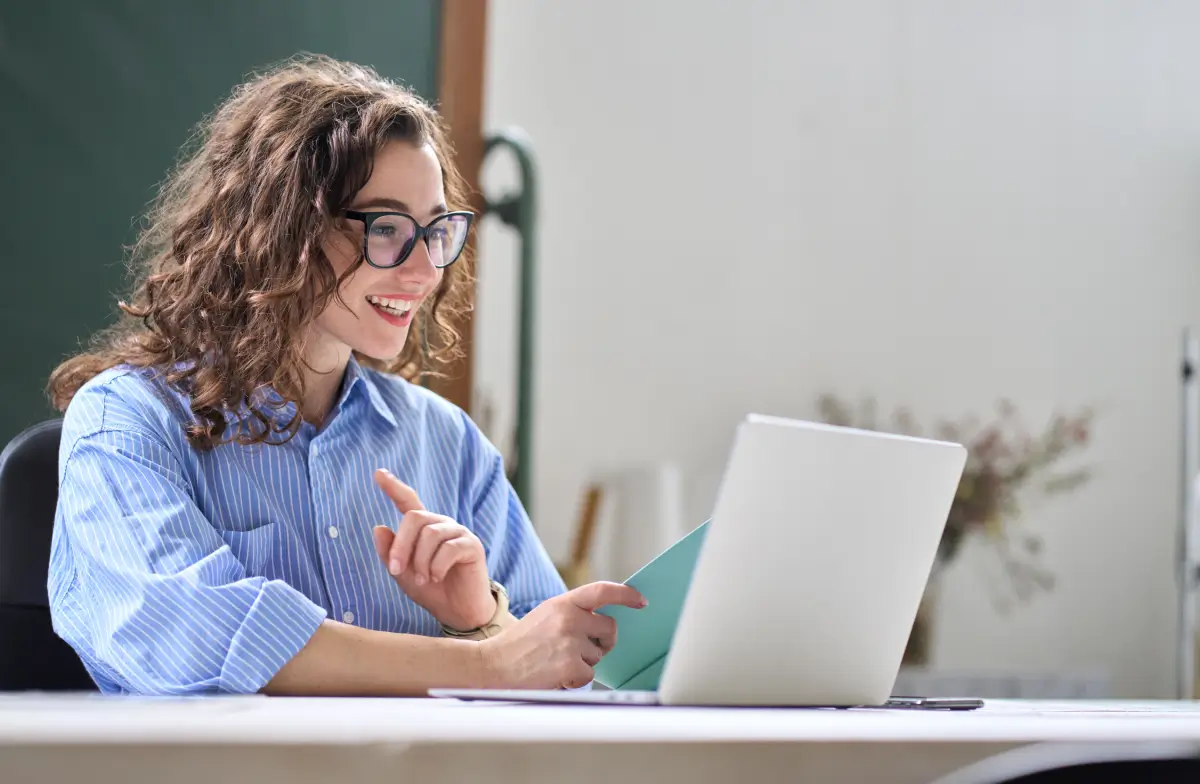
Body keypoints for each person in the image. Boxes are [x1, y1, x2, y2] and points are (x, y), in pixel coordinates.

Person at [45, 55, 645, 696]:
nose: (423, 272)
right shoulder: (124, 421)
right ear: (283, 230)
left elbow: (566, 672)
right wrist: (487, 667)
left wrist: (482, 623)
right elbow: (197, 637)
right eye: (386, 229)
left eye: (436, 230)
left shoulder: (447, 441)